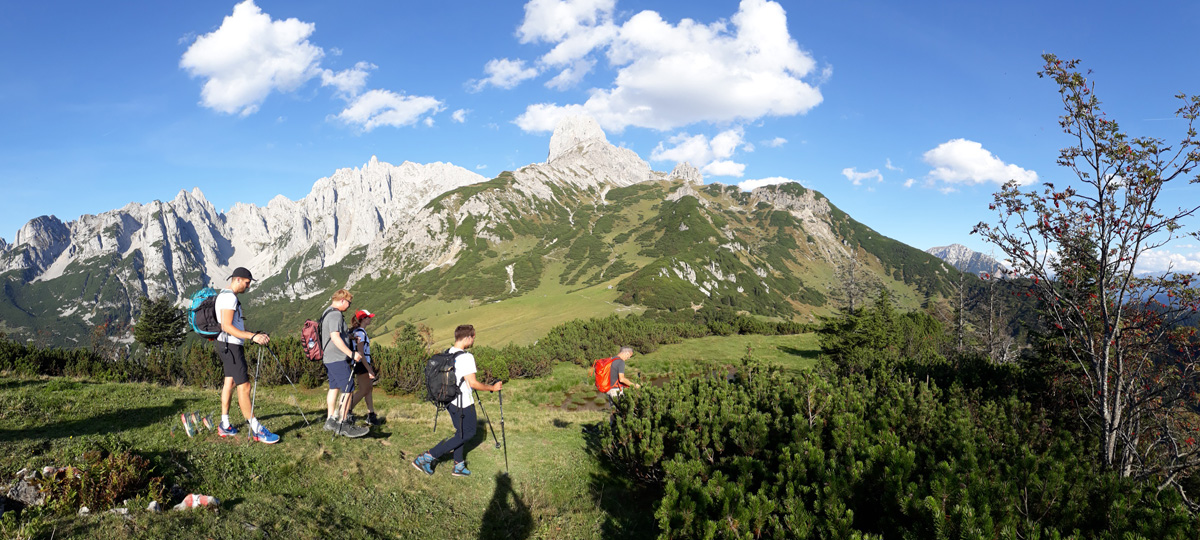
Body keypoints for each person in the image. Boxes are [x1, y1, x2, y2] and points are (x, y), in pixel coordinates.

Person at [412, 324, 502, 477]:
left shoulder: (448, 353)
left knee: (460, 432)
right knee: (468, 433)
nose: (473, 340)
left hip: (449, 400)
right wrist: (492, 388)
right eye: (473, 337)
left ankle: (458, 465)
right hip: (463, 402)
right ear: (467, 337)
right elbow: (472, 383)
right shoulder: (467, 357)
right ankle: (427, 457)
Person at [214, 267, 279, 444]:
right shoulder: (229, 297)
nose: (248, 287)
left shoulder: (224, 295)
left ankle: (225, 425)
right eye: (247, 283)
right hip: (232, 347)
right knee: (245, 386)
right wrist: (253, 336)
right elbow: (226, 326)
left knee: (230, 382)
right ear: (237, 279)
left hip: (226, 345)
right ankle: (257, 429)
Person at [320, 289, 369, 438]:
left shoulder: (327, 312)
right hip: (337, 357)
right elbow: (335, 337)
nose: (349, 306)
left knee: (334, 387)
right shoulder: (335, 314)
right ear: (342, 300)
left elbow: (335, 334)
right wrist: (352, 354)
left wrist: (349, 336)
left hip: (329, 357)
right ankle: (344, 423)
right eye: (348, 303)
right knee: (348, 388)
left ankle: (330, 421)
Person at [347, 309, 381, 426]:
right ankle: (347, 411)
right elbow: (360, 353)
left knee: (369, 388)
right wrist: (369, 369)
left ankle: (371, 414)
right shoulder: (360, 333)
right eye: (369, 317)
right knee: (364, 390)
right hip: (362, 363)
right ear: (364, 319)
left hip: (360, 363)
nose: (370, 319)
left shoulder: (357, 331)